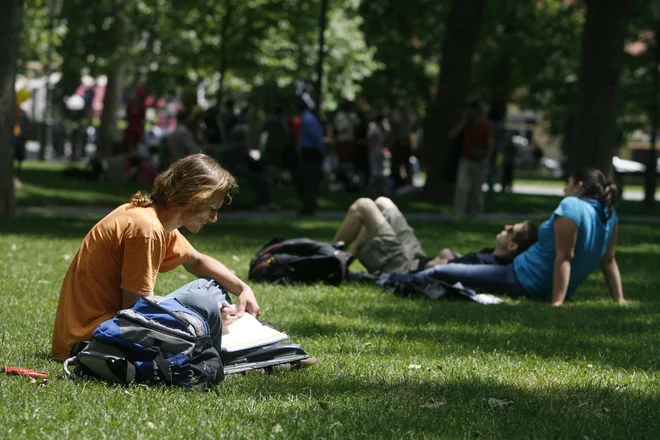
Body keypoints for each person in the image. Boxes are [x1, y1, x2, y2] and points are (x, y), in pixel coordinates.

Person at [51, 154, 260, 360]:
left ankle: (219, 334)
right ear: (195, 198)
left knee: (210, 288)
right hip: (90, 339)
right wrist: (204, 320)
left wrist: (244, 289)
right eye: (212, 209)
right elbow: (135, 313)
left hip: (103, 329)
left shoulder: (152, 219)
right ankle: (218, 338)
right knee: (202, 298)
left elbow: (196, 261)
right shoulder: (147, 229)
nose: (214, 218)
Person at [380, 168, 625, 306]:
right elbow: (609, 261)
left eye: (567, 182)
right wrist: (619, 300)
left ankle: (390, 279)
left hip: (522, 277)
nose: (564, 188)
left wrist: (556, 303)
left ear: (578, 184)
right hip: (532, 279)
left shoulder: (571, 206)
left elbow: (564, 256)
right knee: (455, 267)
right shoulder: (609, 215)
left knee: (442, 271)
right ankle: (401, 275)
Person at [333, 197, 538, 275]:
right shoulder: (490, 255)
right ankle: (344, 259)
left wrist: (446, 257)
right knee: (383, 202)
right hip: (417, 256)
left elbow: (446, 271)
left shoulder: (492, 267)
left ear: (512, 246)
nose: (507, 226)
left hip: (406, 268)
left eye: (512, 230)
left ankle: (330, 260)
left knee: (364, 206)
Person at [451, 102, 493, 218]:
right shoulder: (465, 124)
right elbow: (452, 135)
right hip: (465, 159)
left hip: (478, 161)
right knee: (461, 187)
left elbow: (489, 143)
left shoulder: (485, 125)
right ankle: (458, 212)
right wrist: (464, 123)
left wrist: (486, 159)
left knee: (476, 189)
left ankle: (476, 213)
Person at [296, 101, 325, 215]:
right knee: (308, 179)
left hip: (311, 152)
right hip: (309, 151)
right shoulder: (307, 118)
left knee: (309, 179)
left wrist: (320, 149)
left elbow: (316, 136)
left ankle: (309, 205)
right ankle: (309, 204)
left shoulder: (307, 119)